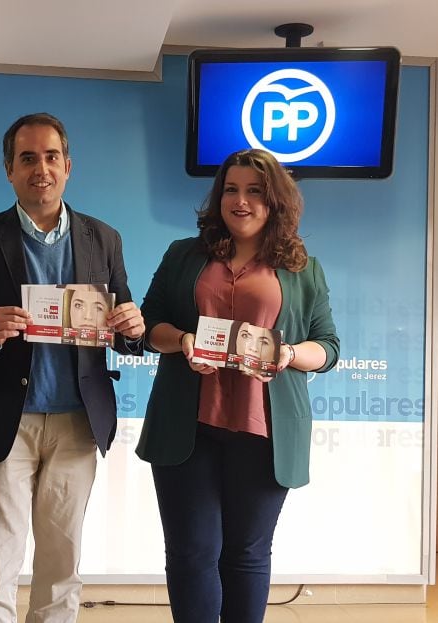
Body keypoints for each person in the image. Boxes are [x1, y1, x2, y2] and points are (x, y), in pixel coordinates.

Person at [0, 112, 145, 623]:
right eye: (27, 158)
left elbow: (125, 333)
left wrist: (133, 327)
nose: (41, 168)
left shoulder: (105, 238)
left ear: (68, 166)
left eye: (51, 157)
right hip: (5, 419)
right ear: (9, 169)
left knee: (61, 562)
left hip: (78, 420)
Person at [136, 148, 340, 623]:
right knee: (191, 553)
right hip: (188, 427)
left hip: (265, 435)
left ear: (275, 200)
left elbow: (327, 347)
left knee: (247, 555)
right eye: (231, 189)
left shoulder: (303, 268)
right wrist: (183, 340)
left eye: (254, 191)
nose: (240, 201)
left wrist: (289, 354)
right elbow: (148, 325)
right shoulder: (183, 254)